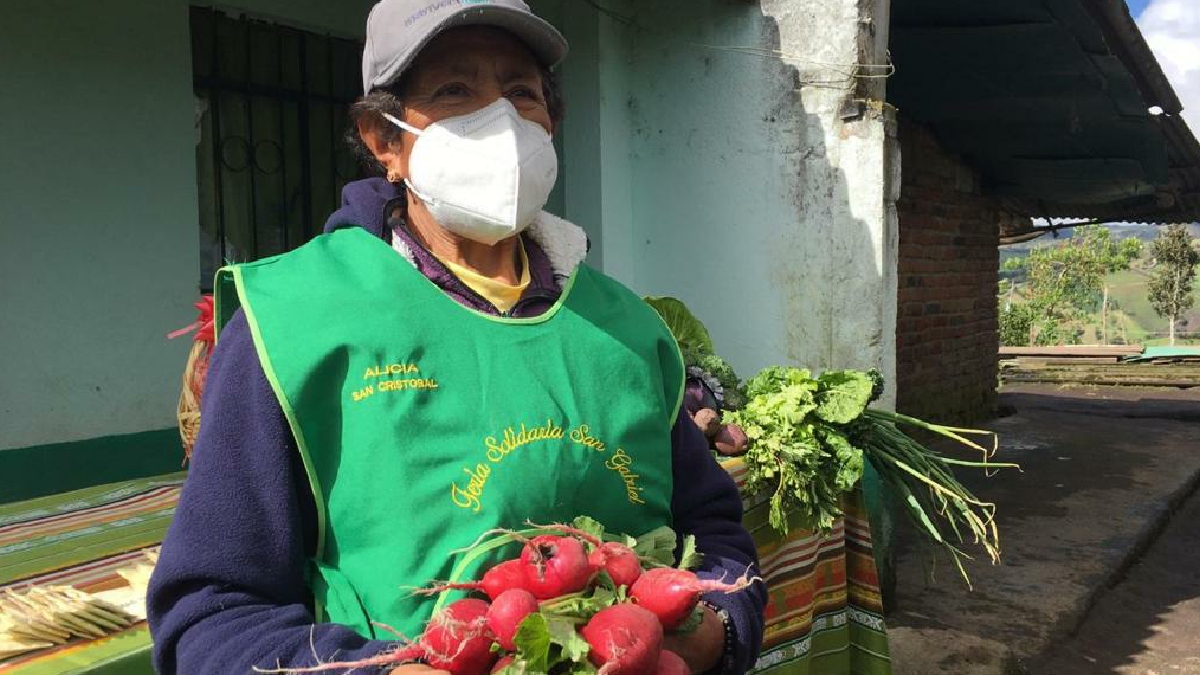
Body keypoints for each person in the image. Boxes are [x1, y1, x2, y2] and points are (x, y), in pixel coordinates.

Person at [147, 2, 766, 674]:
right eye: (454, 91)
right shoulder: (293, 323)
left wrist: (716, 632)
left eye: (521, 91)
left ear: (551, 120)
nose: (499, 119)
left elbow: (719, 537)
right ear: (385, 139)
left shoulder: (626, 329)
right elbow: (210, 613)